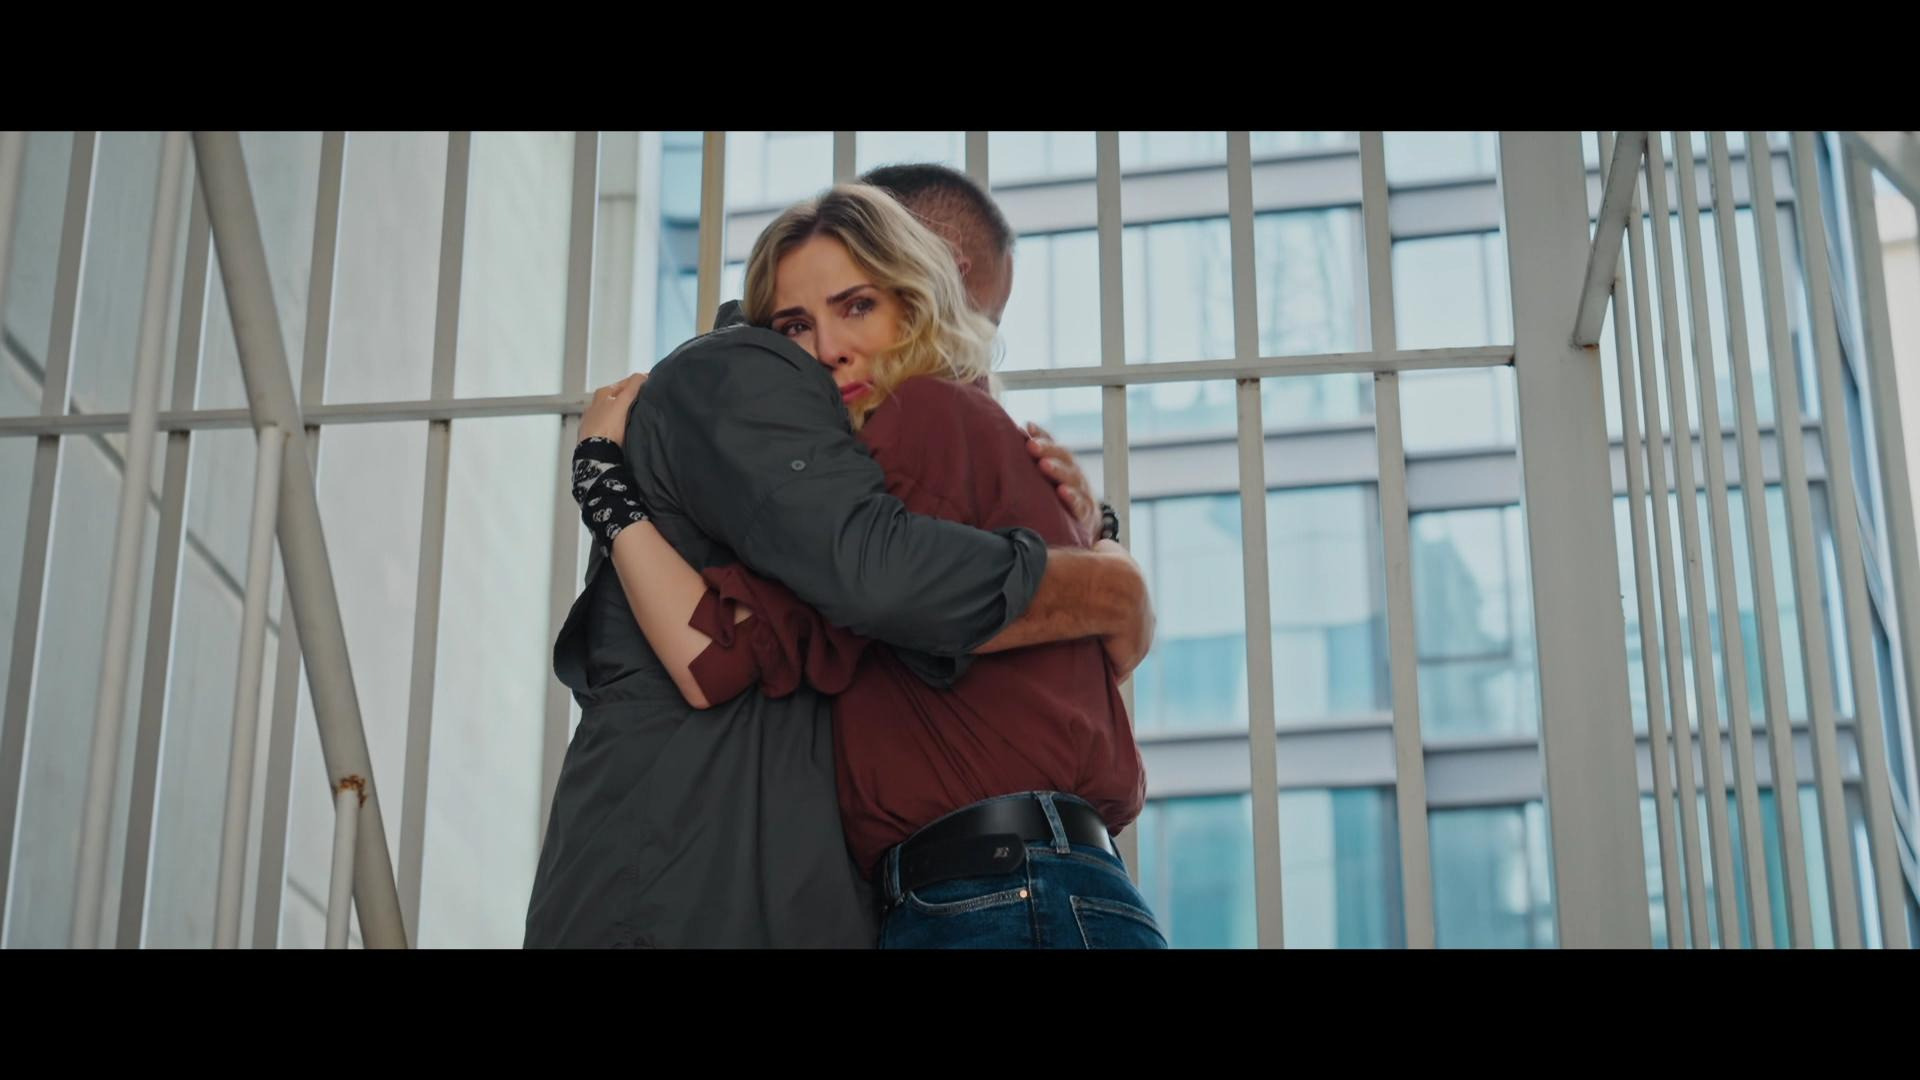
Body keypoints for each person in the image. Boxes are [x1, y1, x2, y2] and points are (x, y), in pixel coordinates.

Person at [526, 167, 1150, 949]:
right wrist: (1106, 570)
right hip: (1026, 884)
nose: (827, 351)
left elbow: (736, 648)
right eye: (794, 326)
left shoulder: (925, 420)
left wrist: (608, 496)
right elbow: (755, 639)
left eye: (858, 307)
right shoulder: (853, 434)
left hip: (1002, 890)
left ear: (920, 293)